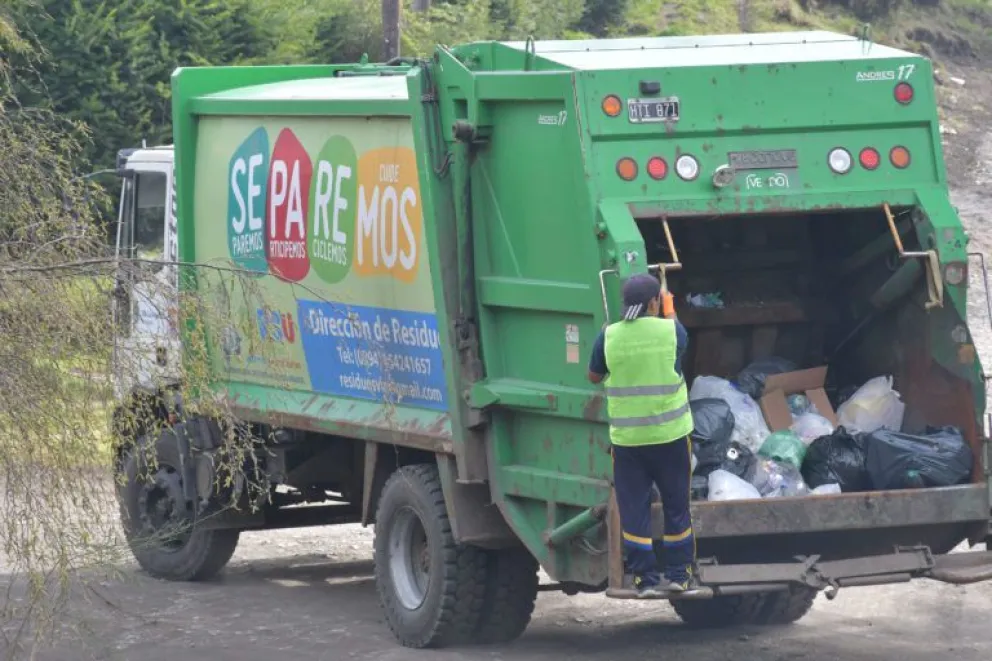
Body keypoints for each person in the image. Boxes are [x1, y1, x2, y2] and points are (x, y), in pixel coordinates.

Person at [587, 273, 696, 598]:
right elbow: (683, 343)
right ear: (654, 303)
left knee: (634, 509)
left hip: (629, 443)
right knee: (677, 506)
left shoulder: (609, 336)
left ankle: (644, 581)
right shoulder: (670, 330)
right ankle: (679, 576)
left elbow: (593, 376)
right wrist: (670, 309)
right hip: (671, 438)